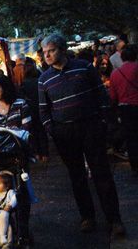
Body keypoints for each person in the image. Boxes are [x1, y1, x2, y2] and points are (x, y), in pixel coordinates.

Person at [38, 33, 125, 237]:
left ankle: (114, 219)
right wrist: (53, 130)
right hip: (65, 133)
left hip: (90, 127)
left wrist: (103, 122)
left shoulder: (84, 68)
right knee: (76, 177)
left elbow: (101, 95)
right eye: (44, 52)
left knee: (101, 174)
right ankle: (87, 217)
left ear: (61, 49)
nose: (47, 55)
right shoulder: (44, 79)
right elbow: (44, 110)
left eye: (51, 50)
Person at [0, 75, 33, 240]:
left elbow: (26, 129)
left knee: (21, 192)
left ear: (5, 88)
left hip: (18, 156)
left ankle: (23, 228)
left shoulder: (20, 104)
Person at [109, 45, 138, 174]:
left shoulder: (115, 73)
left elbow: (113, 96)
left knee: (131, 138)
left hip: (125, 109)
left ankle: (135, 165)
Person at [20, 58, 49, 160]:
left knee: (33, 132)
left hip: (29, 109)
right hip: (40, 107)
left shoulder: (24, 83)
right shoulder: (40, 80)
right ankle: (45, 154)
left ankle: (37, 153)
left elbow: (22, 97)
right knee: (42, 131)